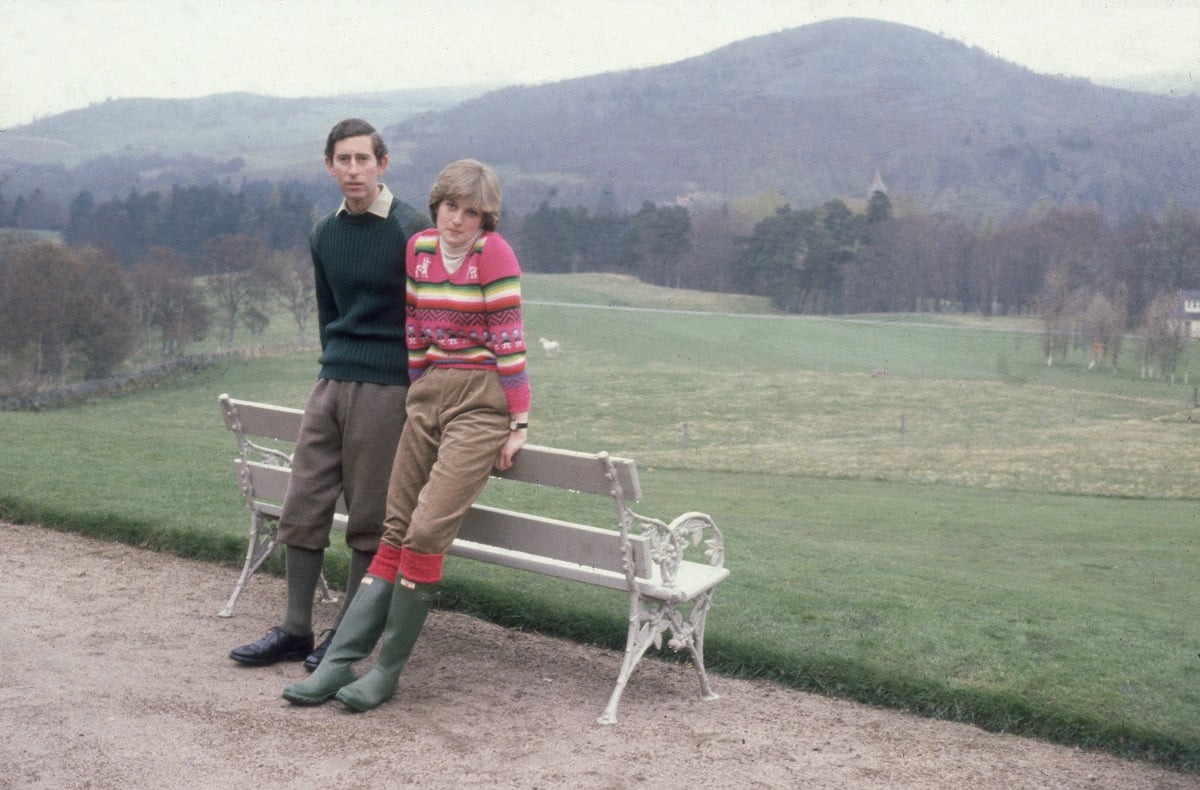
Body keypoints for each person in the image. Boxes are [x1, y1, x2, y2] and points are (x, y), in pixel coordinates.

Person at [282, 158, 530, 711]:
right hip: (428, 392)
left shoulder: (493, 254)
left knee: (424, 532)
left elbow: (509, 341)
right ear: (436, 204)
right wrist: (420, 390)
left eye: (472, 212)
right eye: (450, 207)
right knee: (393, 529)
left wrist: (517, 422)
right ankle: (340, 661)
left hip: (481, 401)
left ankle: (386, 671)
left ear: (485, 217)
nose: (458, 221)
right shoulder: (418, 248)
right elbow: (415, 326)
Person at [229, 119, 426, 671]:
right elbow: (328, 314)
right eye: (344, 160)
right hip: (332, 380)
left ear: (382, 164)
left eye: (364, 159)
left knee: (369, 514)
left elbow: (428, 315)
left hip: (389, 388)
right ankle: (295, 628)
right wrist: (334, 370)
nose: (354, 170)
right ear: (329, 166)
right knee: (305, 500)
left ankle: (347, 633)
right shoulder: (324, 234)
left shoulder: (412, 229)